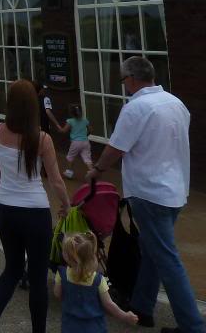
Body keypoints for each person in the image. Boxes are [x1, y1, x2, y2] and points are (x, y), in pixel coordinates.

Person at [86, 56, 204, 333]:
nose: (124, 85)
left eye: (123, 80)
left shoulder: (136, 108)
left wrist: (98, 169)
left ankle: (193, 325)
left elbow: (116, 148)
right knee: (151, 252)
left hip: (149, 192)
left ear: (131, 79)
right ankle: (142, 308)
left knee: (166, 257)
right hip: (175, 190)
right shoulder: (176, 104)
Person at [0, 79, 69, 333]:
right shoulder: (42, 138)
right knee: (38, 277)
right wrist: (66, 204)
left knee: (12, 269)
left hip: (7, 209)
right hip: (35, 212)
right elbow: (55, 180)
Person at [54, 231, 139, 332]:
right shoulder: (98, 280)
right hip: (94, 328)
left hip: (69, 326)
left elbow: (57, 294)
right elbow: (109, 305)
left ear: (67, 257)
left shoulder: (62, 274)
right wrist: (125, 316)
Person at [53, 104, 92, 180]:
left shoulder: (70, 121)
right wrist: (86, 135)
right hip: (85, 142)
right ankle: (92, 172)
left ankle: (69, 174)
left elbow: (64, 130)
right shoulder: (85, 120)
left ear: (71, 113)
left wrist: (59, 129)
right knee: (87, 159)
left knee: (70, 157)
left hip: (75, 143)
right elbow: (91, 130)